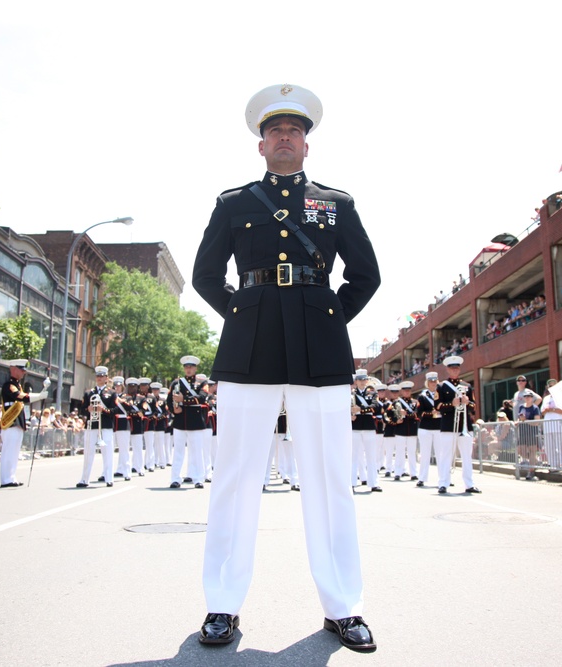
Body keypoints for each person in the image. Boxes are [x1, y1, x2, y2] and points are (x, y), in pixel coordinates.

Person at [190, 84, 379, 651]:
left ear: (307, 143)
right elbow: (205, 275)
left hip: (319, 346)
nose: (285, 138)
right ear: (260, 144)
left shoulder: (336, 203)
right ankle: (222, 605)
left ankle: (343, 607)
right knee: (235, 477)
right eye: (275, 131)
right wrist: (245, 314)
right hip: (249, 346)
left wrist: (326, 319)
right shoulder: (234, 203)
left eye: (295, 131)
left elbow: (366, 275)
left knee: (328, 477)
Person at [0, 359, 50, 488]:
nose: (23, 373)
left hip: (17, 424)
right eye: (21, 370)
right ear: (13, 369)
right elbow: (20, 396)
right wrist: (39, 396)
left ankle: (11, 476)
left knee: (14, 452)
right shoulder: (9, 385)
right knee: (8, 451)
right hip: (11, 423)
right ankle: (6, 479)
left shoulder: (17, 385)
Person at [437, 356, 480, 494]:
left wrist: (468, 403)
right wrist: (452, 404)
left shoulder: (466, 386)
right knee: (446, 456)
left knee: (467, 456)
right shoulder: (442, 386)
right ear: (447, 369)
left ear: (459, 369)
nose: (454, 371)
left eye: (456, 368)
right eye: (452, 368)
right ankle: (443, 483)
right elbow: (437, 406)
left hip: (465, 425)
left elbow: (474, 406)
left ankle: (469, 484)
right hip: (448, 425)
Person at [166, 356, 207, 489]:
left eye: (191, 367)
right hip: (180, 420)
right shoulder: (176, 383)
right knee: (178, 451)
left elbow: (202, 398)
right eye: (186, 367)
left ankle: (198, 478)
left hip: (195, 421)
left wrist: (184, 399)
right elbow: (168, 400)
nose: (188, 369)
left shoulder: (201, 382)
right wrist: (173, 409)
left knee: (196, 452)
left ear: (195, 368)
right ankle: (175, 478)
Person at [78, 366, 116, 488]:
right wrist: (87, 409)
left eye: (102, 376)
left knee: (108, 453)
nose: (99, 378)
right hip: (92, 426)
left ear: (106, 378)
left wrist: (103, 409)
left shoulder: (112, 393)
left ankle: (109, 478)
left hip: (105, 426)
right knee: (88, 453)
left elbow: (115, 411)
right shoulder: (89, 393)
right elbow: (81, 410)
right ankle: (84, 479)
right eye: (97, 376)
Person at [350, 370, 382, 492]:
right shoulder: (351, 394)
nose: (362, 382)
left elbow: (375, 407)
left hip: (369, 427)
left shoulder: (373, 393)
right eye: (360, 380)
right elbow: (347, 408)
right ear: (356, 381)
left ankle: (373, 483)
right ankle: (352, 483)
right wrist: (350, 414)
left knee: (371, 456)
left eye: (364, 380)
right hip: (355, 427)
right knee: (354, 456)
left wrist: (360, 409)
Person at [414, 372, 442, 488]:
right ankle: (422, 478)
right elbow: (419, 413)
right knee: (425, 454)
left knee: (441, 455)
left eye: (435, 381)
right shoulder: (422, 396)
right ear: (427, 383)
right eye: (431, 381)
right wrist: (431, 413)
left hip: (439, 427)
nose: (433, 383)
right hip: (425, 427)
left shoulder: (441, 394)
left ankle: (444, 479)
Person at [539, 378, 562, 471]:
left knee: (561, 445)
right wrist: (546, 410)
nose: (552, 387)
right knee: (549, 446)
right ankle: (553, 465)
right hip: (548, 424)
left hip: (558, 424)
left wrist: (552, 409)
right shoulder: (546, 398)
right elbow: (542, 412)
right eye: (550, 386)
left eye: (553, 385)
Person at [517, 393, 541, 480]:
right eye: (525, 396)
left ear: (532, 398)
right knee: (520, 450)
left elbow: (537, 422)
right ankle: (535, 461)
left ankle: (531, 471)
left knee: (532, 450)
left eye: (529, 397)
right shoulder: (521, 407)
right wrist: (518, 421)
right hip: (523, 431)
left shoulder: (535, 408)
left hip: (532, 431)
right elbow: (519, 417)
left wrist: (526, 420)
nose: (527, 398)